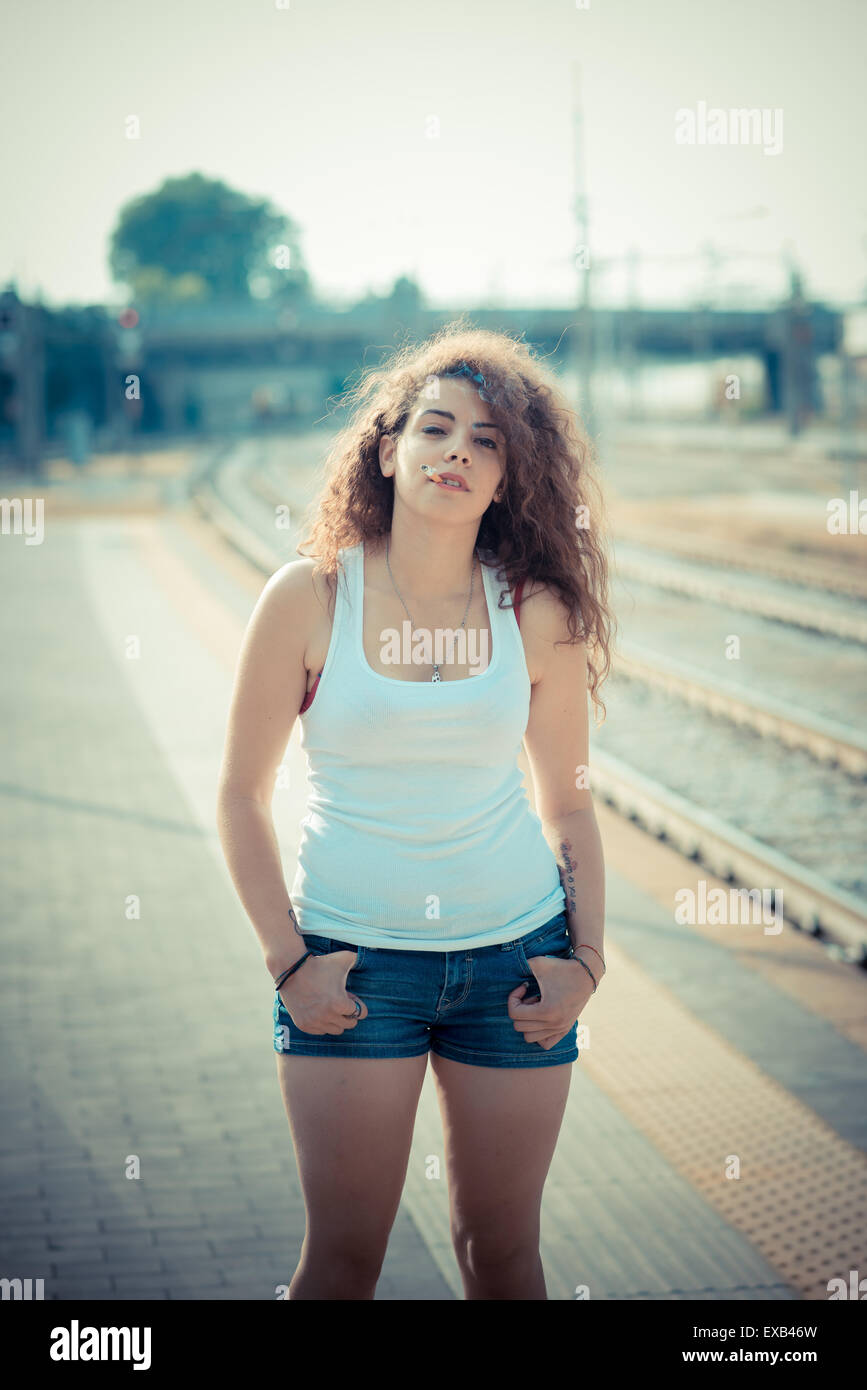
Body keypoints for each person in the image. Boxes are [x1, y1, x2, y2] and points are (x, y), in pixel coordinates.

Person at [216, 323, 614, 1300]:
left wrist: (588, 963)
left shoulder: (535, 611)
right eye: (437, 428)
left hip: (516, 964)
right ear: (387, 448)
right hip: (353, 969)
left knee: (503, 1255)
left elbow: (568, 802)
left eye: (488, 442)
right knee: (344, 1264)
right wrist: (290, 968)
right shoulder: (309, 596)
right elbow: (238, 796)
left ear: (509, 477)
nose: (458, 453)